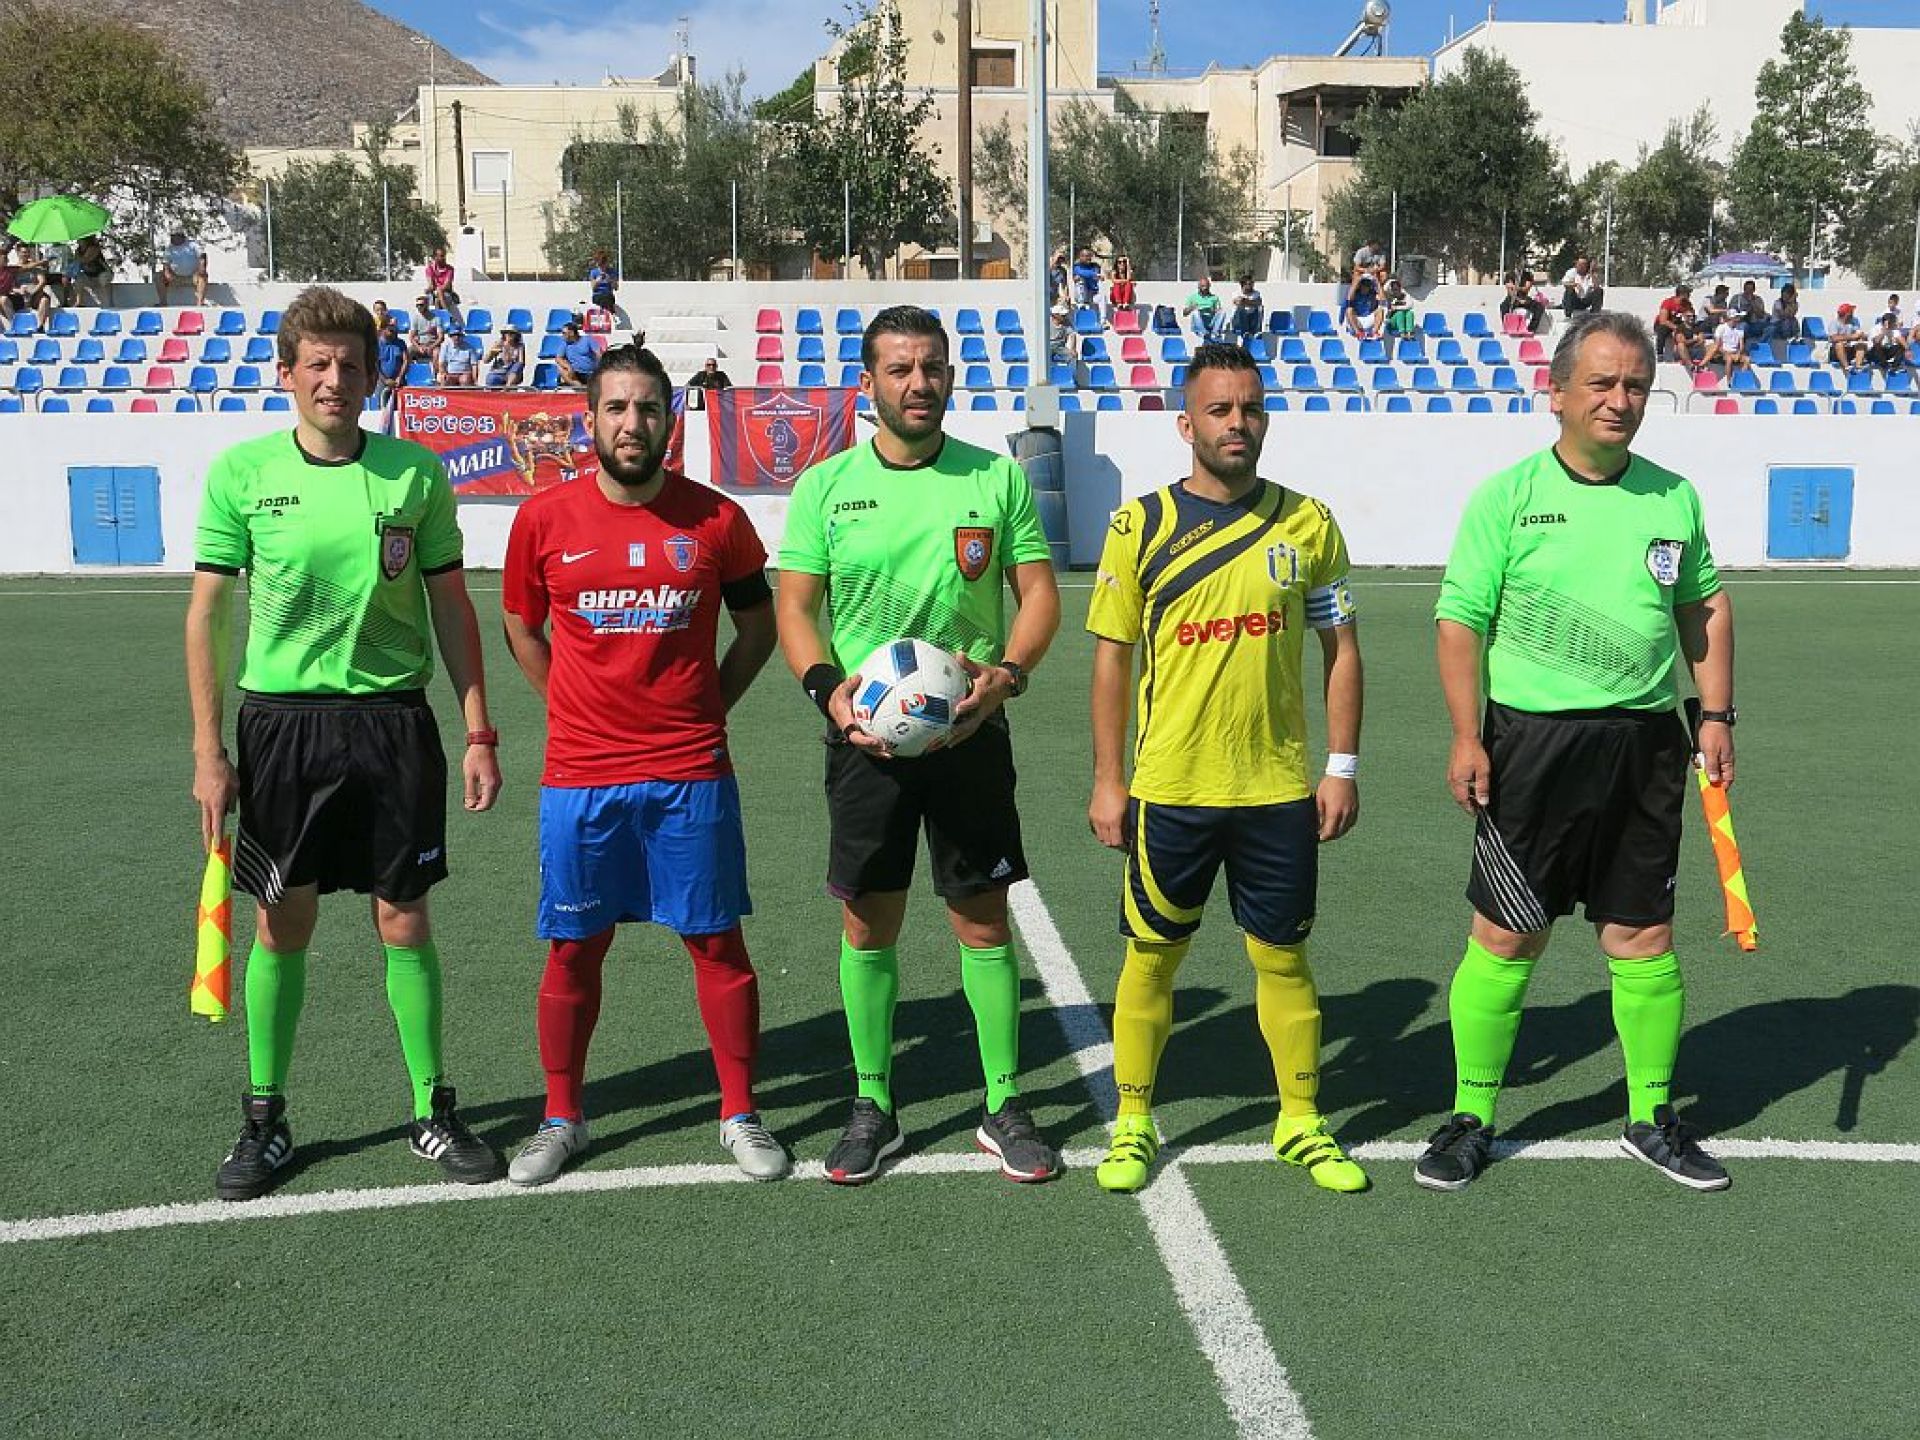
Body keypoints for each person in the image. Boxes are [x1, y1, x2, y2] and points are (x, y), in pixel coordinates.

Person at [185, 285, 505, 1202]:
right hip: (282, 729)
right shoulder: (242, 473)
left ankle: (431, 1110)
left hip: (394, 723)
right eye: (317, 364)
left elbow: (451, 608)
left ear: (373, 376)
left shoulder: (415, 475)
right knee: (282, 922)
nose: (335, 379)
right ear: (286, 374)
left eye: (351, 365)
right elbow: (206, 618)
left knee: (404, 917)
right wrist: (210, 752)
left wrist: (478, 729)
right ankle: (265, 1117)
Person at [1416, 310, 1736, 1195]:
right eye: (1601, 383)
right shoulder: (1508, 496)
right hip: (1532, 745)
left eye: (1635, 385)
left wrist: (1716, 716)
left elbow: (1703, 608)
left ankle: (1651, 1117)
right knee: (1508, 933)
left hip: (1645, 746)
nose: (1619, 400)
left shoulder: (1674, 498)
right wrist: (1467, 735)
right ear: (1555, 393)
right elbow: (1459, 621)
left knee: (1643, 934)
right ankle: (1472, 1118)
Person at [774, 305, 1063, 1186]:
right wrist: (828, 692)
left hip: (971, 734)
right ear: (869, 384)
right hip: (867, 741)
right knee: (869, 921)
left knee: (982, 917)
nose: (919, 383)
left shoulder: (995, 477)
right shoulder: (826, 486)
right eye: (900, 369)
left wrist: (1006, 675)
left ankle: (1003, 1103)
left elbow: (1040, 596)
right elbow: (795, 607)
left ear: (950, 376)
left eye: (932, 367)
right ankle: (873, 1103)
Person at [500, 343, 788, 1186]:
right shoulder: (542, 520)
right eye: (617, 408)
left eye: (648, 409)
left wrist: (709, 706)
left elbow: (760, 628)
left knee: (716, 942)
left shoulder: (717, 521)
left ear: (670, 421)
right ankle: (562, 1117)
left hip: (689, 772)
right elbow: (521, 626)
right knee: (572, 949)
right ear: (590, 420)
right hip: (581, 776)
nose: (633, 424)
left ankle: (740, 1112)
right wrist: (566, 702)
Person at [1085, 343, 1369, 1196]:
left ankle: (1301, 1120)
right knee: (1151, 959)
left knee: (1283, 960)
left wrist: (1341, 765)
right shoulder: (1139, 526)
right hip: (1171, 787)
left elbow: (1342, 649)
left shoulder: (1308, 522)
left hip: (1276, 791)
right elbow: (1111, 660)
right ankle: (1133, 1121)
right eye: (1219, 409)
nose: (1237, 423)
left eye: (1250, 407)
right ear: (1186, 424)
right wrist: (1108, 779)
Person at [156, 230, 208, 307]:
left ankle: (200, 303)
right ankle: (163, 302)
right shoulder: (169, 248)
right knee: (159, 276)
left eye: (174, 236)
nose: (171, 238)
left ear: (181, 237)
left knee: (203, 276)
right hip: (175, 277)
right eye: (171, 236)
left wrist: (202, 268)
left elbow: (202, 256)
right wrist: (167, 272)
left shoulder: (192, 245)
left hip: (193, 277)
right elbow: (166, 263)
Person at [558, 320, 602, 389]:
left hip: (590, 373)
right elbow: (558, 358)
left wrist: (599, 369)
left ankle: (583, 387)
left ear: (572, 333)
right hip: (575, 373)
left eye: (564, 333)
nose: (562, 335)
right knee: (561, 368)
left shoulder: (588, 339)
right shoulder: (565, 343)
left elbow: (599, 354)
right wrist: (568, 367)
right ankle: (579, 387)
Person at [375, 318, 409, 406]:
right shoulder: (376, 344)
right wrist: (385, 380)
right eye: (390, 330)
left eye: (395, 330)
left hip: (399, 381)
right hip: (382, 382)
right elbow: (375, 365)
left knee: (402, 407)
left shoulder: (401, 343)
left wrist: (400, 377)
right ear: (383, 330)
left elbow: (406, 360)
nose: (394, 332)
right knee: (383, 408)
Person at [1500, 269, 1546, 334]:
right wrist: (1518, 298)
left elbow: (1526, 288)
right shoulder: (1509, 275)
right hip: (1512, 298)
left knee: (1539, 307)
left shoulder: (1527, 275)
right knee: (1503, 306)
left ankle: (1531, 329)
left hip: (1524, 298)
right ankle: (1507, 327)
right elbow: (1510, 290)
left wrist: (1516, 287)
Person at [423, 245, 460, 321]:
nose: (443, 258)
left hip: (446, 293)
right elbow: (431, 285)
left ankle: (446, 315)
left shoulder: (450, 269)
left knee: (439, 295)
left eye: (444, 256)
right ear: (435, 257)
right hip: (434, 293)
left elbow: (447, 285)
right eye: (441, 256)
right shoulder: (430, 269)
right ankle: (440, 319)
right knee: (431, 299)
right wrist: (429, 289)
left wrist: (439, 290)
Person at [73, 234, 112, 307]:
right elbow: (76, 263)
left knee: (103, 279)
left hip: (102, 272)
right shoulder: (78, 251)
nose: (78, 241)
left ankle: (108, 303)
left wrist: (77, 257)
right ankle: (79, 302)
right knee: (78, 278)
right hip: (89, 275)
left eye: (80, 239)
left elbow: (85, 260)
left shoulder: (94, 248)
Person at [1345, 266, 1383, 339]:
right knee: (1349, 310)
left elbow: (1383, 298)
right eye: (1364, 285)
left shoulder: (1372, 294)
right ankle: (1358, 333)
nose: (1365, 287)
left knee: (1380, 310)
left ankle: (1374, 332)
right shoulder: (1355, 294)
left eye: (1368, 285)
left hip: (1368, 319)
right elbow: (1349, 299)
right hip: (1357, 320)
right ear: (1360, 286)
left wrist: (1376, 280)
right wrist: (1357, 280)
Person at [435, 322, 477, 387]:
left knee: (465, 380)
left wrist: (475, 380)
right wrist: (443, 373)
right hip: (450, 373)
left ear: (462, 336)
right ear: (450, 336)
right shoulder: (445, 346)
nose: (456, 337)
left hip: (464, 374)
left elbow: (474, 365)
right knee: (444, 379)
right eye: (454, 335)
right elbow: (441, 363)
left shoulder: (470, 348)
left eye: (458, 335)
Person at [1830, 303, 1869, 371]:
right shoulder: (1834, 323)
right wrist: (1852, 336)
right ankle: (1846, 366)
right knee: (1839, 344)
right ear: (1847, 314)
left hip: (1849, 348)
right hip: (1835, 352)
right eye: (1851, 312)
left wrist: (1861, 336)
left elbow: (1858, 333)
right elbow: (1834, 338)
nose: (1853, 314)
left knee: (1861, 343)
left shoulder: (1853, 323)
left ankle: (1858, 365)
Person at [1183, 275, 1223, 340]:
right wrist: (1192, 308)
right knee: (1195, 312)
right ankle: (1203, 332)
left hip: (1210, 321)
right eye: (1203, 286)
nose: (1205, 288)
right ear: (1199, 287)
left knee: (1222, 311)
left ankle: (1215, 332)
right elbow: (1184, 313)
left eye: (1206, 286)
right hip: (1198, 323)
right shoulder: (1193, 297)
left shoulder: (1214, 297)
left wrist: (1214, 310)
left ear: (1209, 286)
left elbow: (1218, 311)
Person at [1229, 273, 1265, 346]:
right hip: (1238, 321)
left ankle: (1256, 331)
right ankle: (1245, 332)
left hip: (1252, 319)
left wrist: (1244, 301)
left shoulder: (1256, 293)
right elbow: (1238, 302)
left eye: (1252, 283)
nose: (1251, 285)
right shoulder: (1236, 293)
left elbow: (1259, 303)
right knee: (1242, 309)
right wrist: (1252, 302)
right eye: (1249, 284)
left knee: (1259, 309)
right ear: (1243, 285)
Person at [587, 248, 618, 314]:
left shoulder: (611, 272)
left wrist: (610, 280)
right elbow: (593, 288)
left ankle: (608, 314)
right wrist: (597, 281)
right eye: (600, 265)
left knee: (608, 298)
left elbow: (616, 288)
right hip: (598, 295)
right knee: (604, 300)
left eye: (603, 264)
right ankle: (610, 313)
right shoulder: (594, 272)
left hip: (608, 295)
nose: (602, 267)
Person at [1108, 255, 1137, 320]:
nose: (1122, 264)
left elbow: (1129, 278)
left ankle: (1125, 303)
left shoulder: (1128, 272)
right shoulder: (1114, 272)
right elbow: (1114, 280)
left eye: (1124, 262)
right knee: (1117, 285)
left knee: (1128, 284)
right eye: (1119, 262)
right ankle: (1119, 303)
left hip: (1125, 297)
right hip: (1115, 297)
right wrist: (1125, 281)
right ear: (1117, 263)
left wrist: (1128, 264)